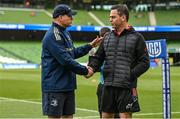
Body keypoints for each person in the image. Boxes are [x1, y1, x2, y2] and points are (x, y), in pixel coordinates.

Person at [87, 4, 150, 118]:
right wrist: (91, 68)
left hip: (126, 86)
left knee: (125, 116)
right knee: (105, 116)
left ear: (123, 17)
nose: (110, 19)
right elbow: (98, 58)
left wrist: (130, 75)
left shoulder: (137, 37)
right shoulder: (107, 37)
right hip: (108, 85)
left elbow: (145, 62)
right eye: (110, 17)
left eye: (113, 17)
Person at [41, 4, 102, 119]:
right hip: (55, 86)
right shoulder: (53, 35)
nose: (72, 18)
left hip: (68, 85)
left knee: (69, 116)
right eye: (69, 16)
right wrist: (85, 70)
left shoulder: (65, 32)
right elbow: (65, 60)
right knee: (54, 117)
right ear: (60, 17)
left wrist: (90, 45)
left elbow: (72, 53)